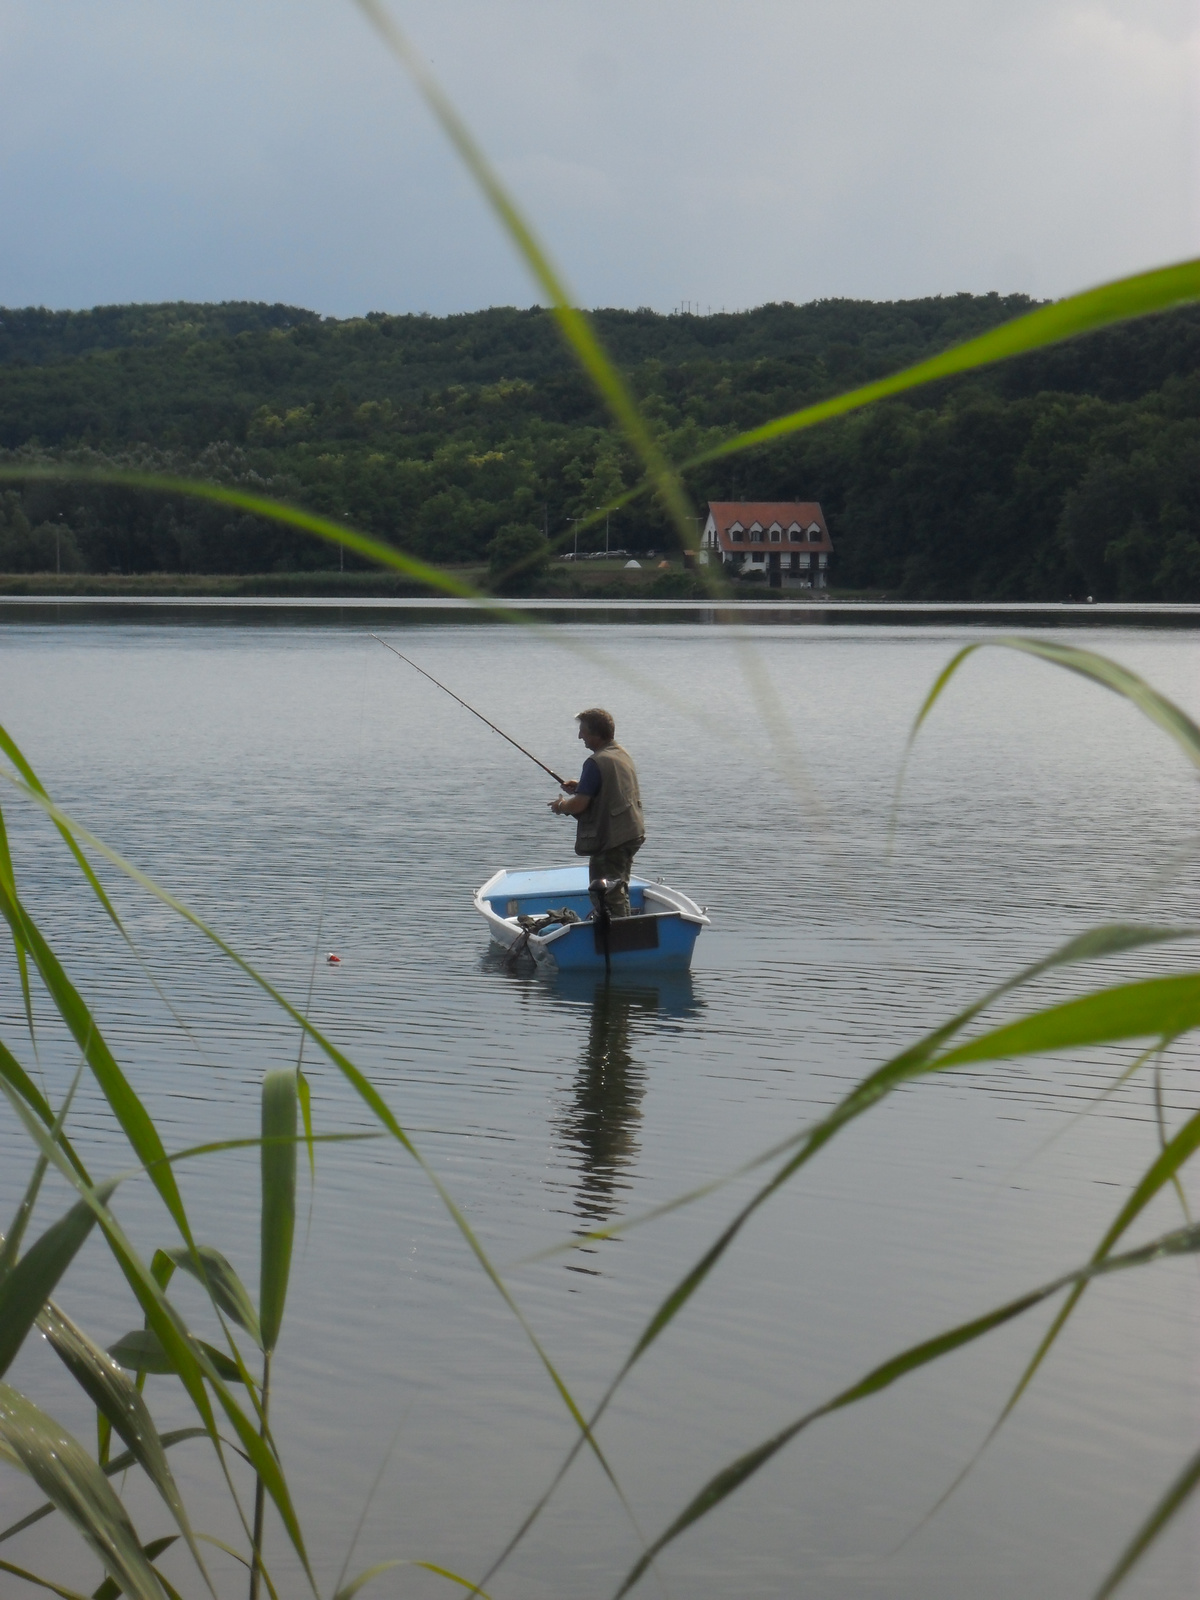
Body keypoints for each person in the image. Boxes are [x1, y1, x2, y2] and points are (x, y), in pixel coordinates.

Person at [548, 708, 645, 917]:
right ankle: (623, 930)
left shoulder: (595, 762)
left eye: (583, 731)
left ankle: (619, 937)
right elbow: (610, 786)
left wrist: (562, 806)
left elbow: (580, 805)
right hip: (632, 832)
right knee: (617, 887)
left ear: (596, 734)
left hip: (613, 838)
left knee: (604, 891)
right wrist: (582, 785)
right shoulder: (620, 753)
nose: (580, 736)